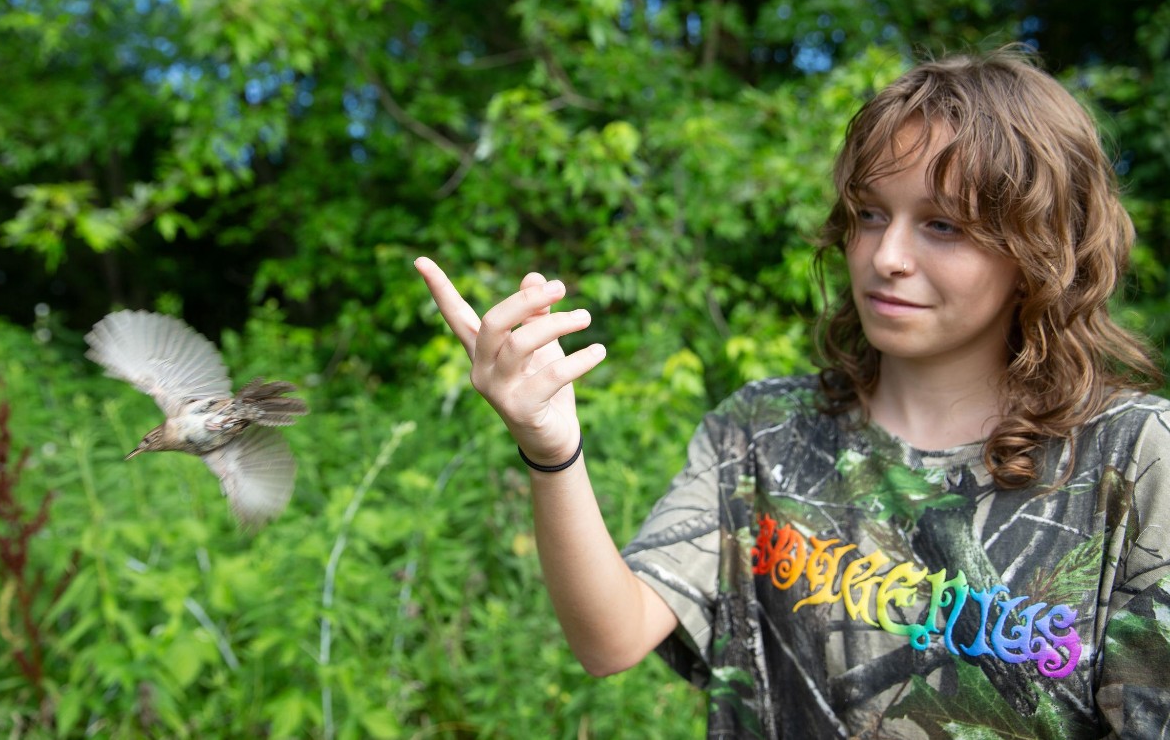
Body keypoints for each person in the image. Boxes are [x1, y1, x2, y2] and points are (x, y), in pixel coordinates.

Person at [414, 48, 1170, 738]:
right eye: (871, 214)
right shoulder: (762, 432)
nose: (886, 255)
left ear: (1040, 250)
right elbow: (611, 636)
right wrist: (552, 448)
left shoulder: (1134, 459)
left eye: (942, 225)